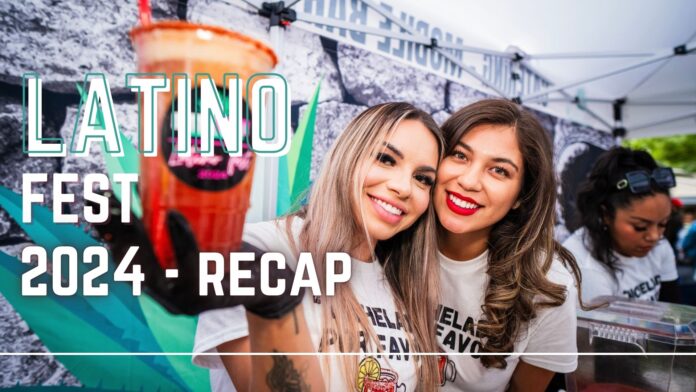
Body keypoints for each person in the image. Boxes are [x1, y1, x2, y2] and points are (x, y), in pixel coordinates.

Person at [193, 102, 444, 391]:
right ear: (348, 155)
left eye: (422, 179)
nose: (403, 187)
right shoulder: (254, 251)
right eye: (386, 159)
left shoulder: (403, 285)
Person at [433, 99, 584, 391]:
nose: (469, 181)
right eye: (460, 155)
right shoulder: (391, 241)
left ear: (520, 197)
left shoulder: (548, 286)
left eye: (499, 171)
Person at [563, 147, 680, 304]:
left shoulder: (661, 247)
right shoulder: (584, 269)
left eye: (663, 224)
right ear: (605, 214)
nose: (655, 236)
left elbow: (670, 308)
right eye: (640, 226)